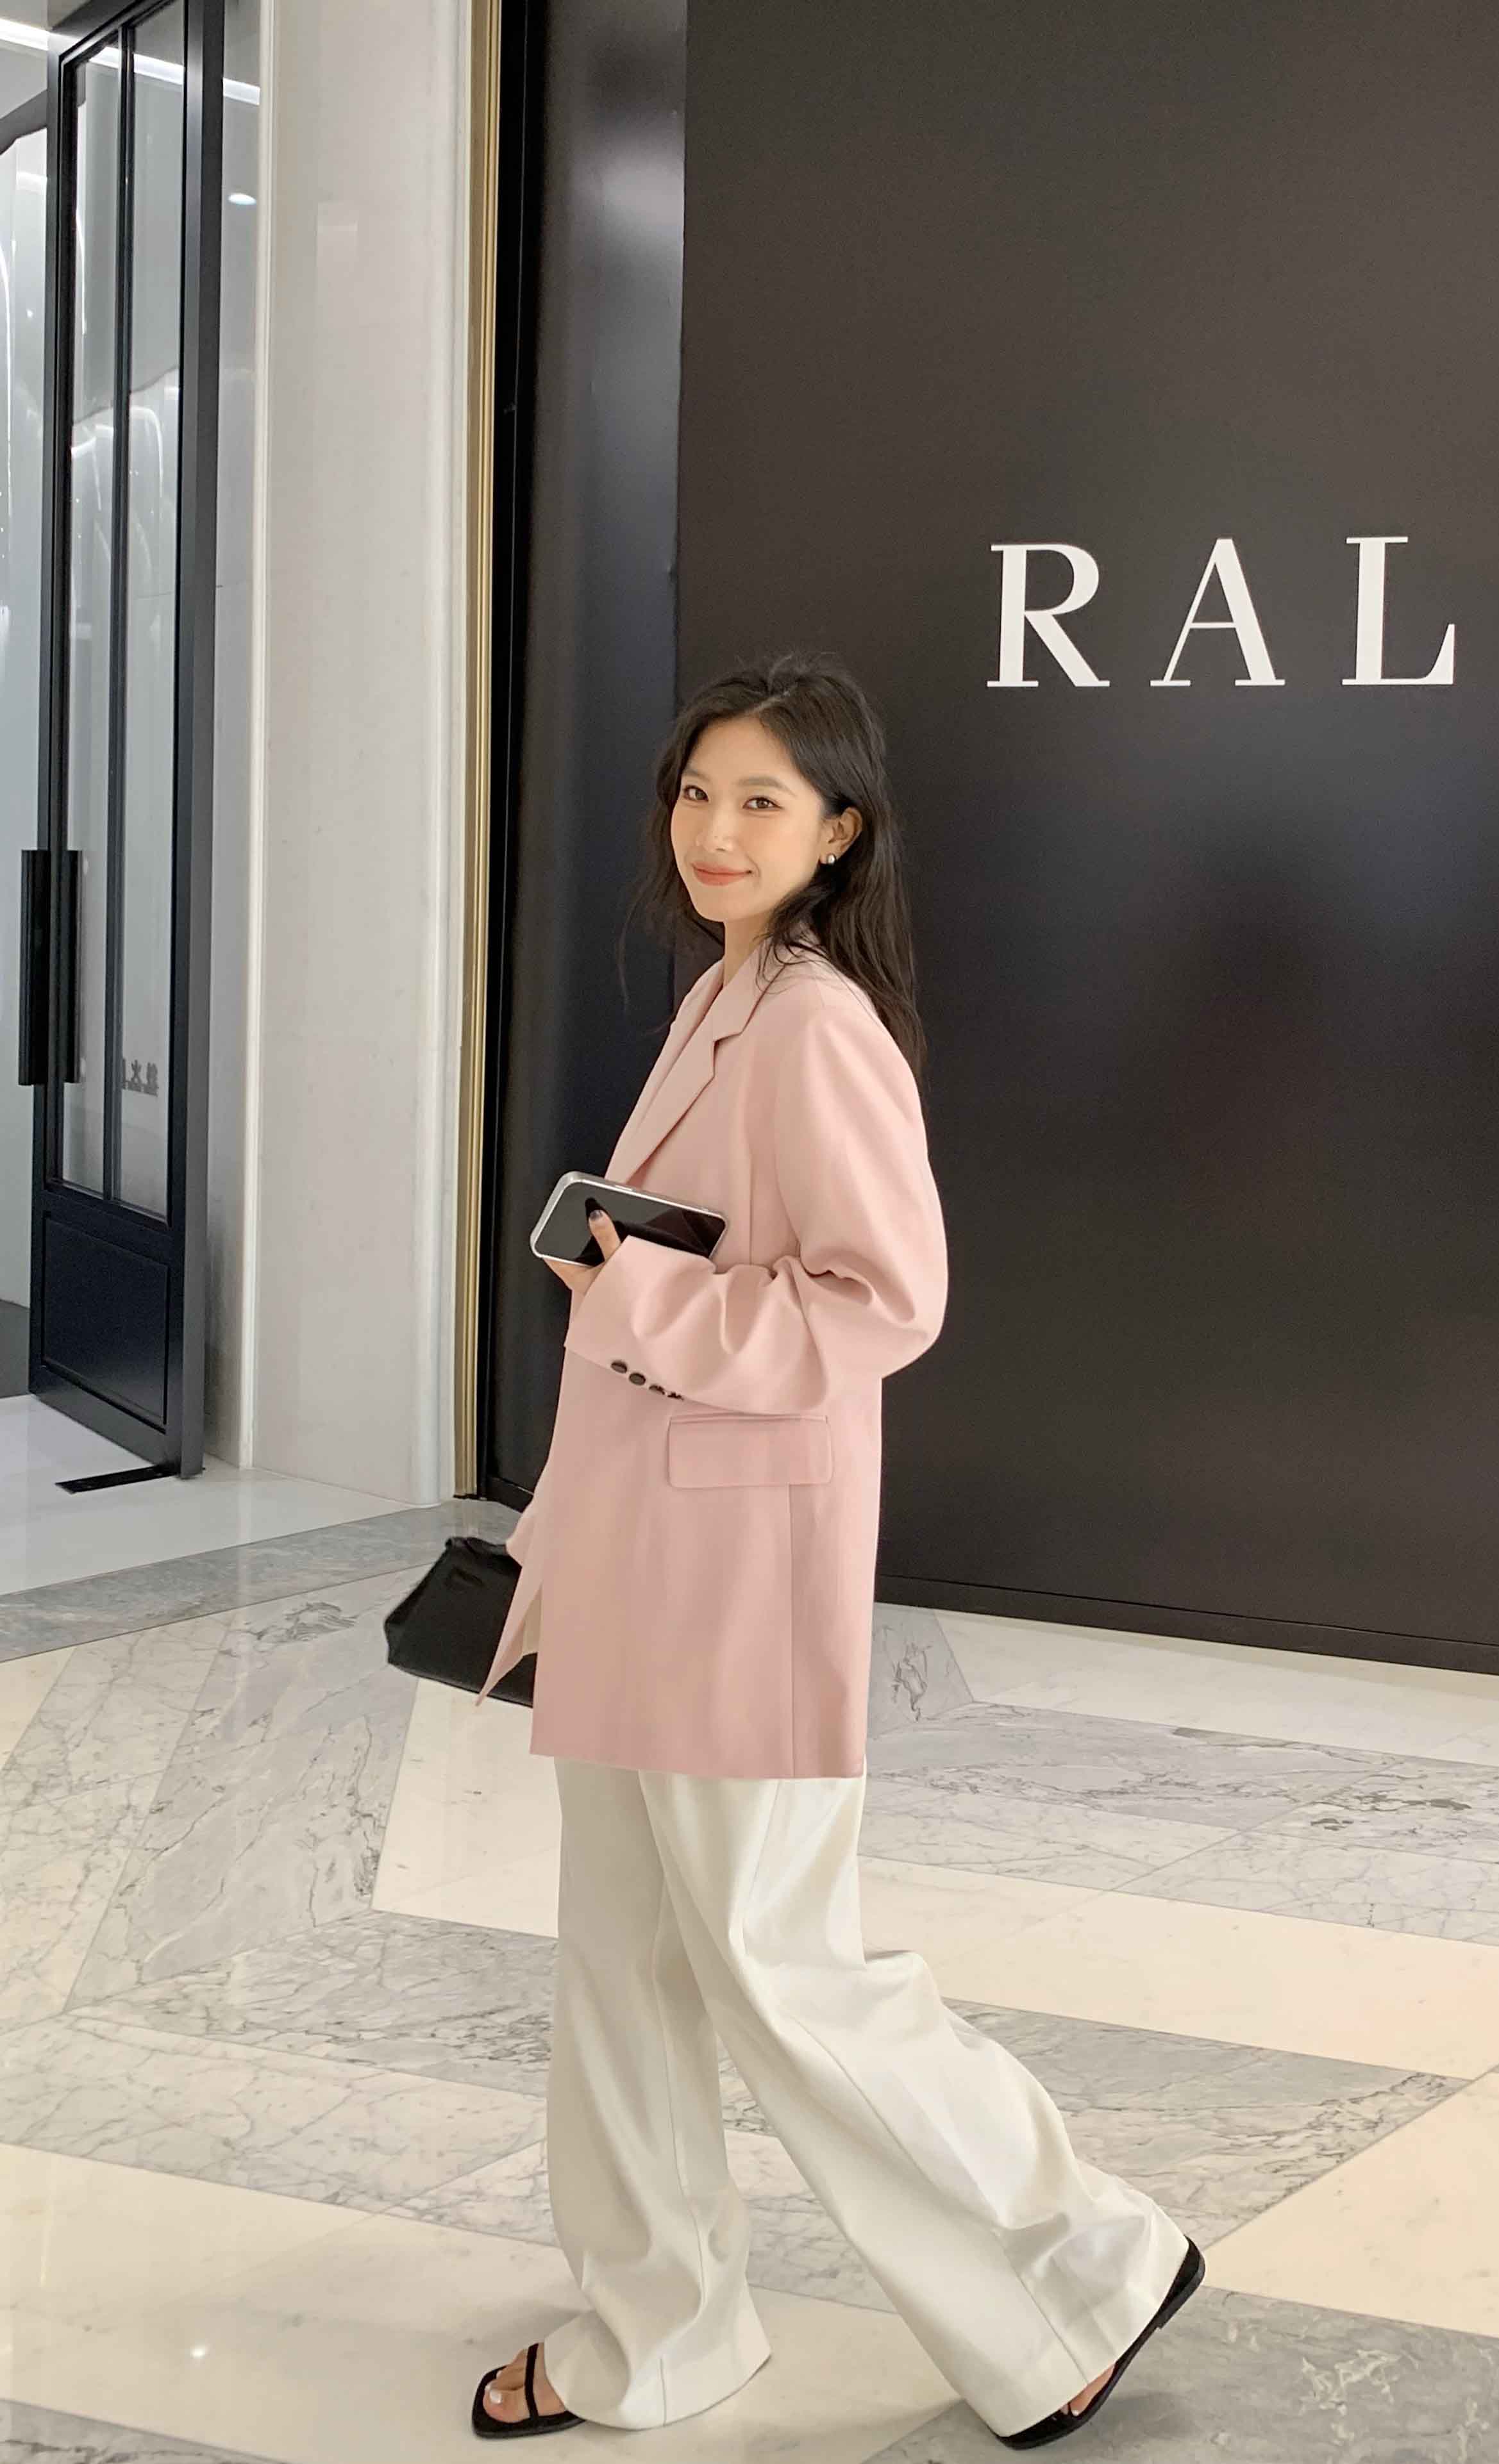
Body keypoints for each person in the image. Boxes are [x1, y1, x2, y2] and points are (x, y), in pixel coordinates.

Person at [468, 654, 1201, 2446]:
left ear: (838, 832)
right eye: (695, 793)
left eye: (761, 802)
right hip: (641, 1554)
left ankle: (1083, 2264)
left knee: (775, 1963)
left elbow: (884, 1298)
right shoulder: (721, 994)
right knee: (625, 1965)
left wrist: (636, 1294)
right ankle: (656, 2329)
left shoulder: (814, 1023)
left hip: (733, 1573)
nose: (714, 832)